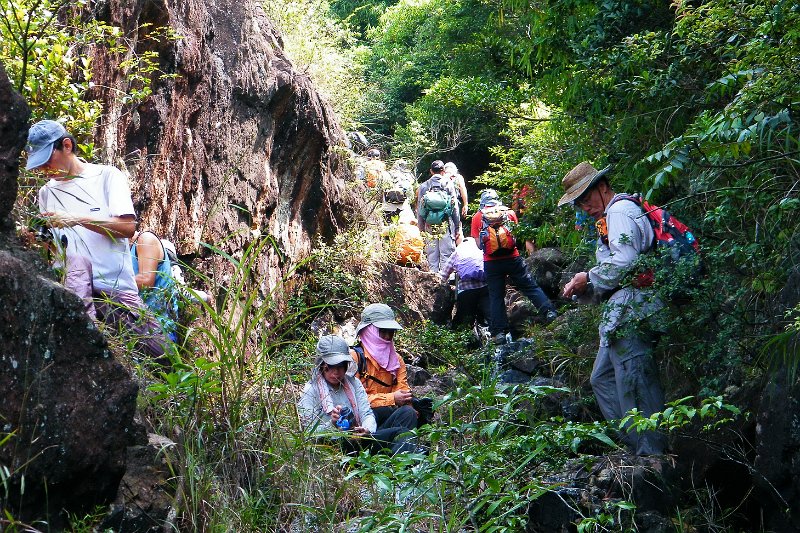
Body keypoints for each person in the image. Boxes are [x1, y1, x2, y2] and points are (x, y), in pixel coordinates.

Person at [27, 119, 167, 361]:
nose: (44, 170)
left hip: (115, 290)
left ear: (67, 146)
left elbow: (127, 227)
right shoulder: (46, 193)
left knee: (163, 358)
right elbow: (55, 249)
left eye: (47, 160)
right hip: (73, 291)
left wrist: (76, 219)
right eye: (39, 166)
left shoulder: (106, 176)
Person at [559, 162, 666, 456]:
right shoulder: (613, 216)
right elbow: (620, 269)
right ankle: (636, 445)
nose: (584, 206)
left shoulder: (618, 211)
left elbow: (625, 261)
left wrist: (588, 277)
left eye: (586, 198)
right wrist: (586, 289)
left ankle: (653, 454)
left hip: (635, 310)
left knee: (636, 380)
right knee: (603, 378)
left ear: (602, 186)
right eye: (579, 202)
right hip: (623, 310)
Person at [297, 335, 416, 455]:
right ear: (322, 366)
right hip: (336, 445)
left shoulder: (353, 383)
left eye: (340, 367)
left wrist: (366, 429)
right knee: (400, 433)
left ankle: (397, 459)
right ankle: (397, 457)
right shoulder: (311, 390)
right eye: (330, 367)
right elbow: (309, 432)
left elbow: (367, 413)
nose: (336, 373)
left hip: (360, 437)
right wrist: (332, 424)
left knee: (407, 413)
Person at [471, 189, 557, 344]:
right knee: (530, 287)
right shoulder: (509, 213)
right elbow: (516, 237)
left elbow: (477, 245)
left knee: (496, 296)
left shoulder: (478, 216)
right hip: (513, 258)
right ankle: (549, 312)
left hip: (491, 262)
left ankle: (499, 333)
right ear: (497, 200)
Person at [350, 303, 425, 433]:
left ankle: (395, 446)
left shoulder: (396, 360)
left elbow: (402, 390)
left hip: (387, 417)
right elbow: (352, 400)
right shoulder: (354, 358)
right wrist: (392, 398)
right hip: (362, 419)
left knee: (409, 413)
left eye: (391, 332)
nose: (387, 336)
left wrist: (409, 405)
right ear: (369, 331)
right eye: (382, 331)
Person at [131, 230, 180, 343]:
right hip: (139, 330)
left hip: (159, 332)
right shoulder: (126, 251)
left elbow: (146, 280)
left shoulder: (145, 240)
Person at [416, 160, 462, 272]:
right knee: (446, 252)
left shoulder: (424, 186)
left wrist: (421, 228)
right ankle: (446, 280)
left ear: (431, 171)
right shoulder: (449, 184)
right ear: (443, 171)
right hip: (445, 222)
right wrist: (457, 227)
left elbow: (420, 209)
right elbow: (454, 207)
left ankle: (433, 278)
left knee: (432, 253)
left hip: (429, 224)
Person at [439, 236, 489, 329]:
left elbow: (444, 274)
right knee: (491, 317)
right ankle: (498, 336)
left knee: (464, 322)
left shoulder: (457, 253)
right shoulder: (480, 251)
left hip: (466, 291)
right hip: (484, 288)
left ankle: (464, 340)